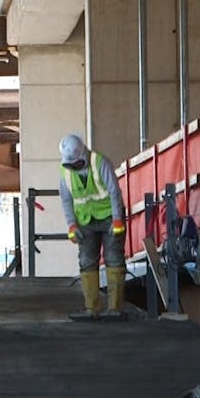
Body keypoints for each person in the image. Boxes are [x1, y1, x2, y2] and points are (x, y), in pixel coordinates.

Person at [58, 133, 127, 320]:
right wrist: (71, 225)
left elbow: (114, 191)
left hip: (109, 218)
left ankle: (115, 308)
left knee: (113, 258)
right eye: (70, 165)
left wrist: (117, 219)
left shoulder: (99, 162)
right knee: (87, 261)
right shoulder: (65, 172)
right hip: (85, 221)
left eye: (76, 164)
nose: (73, 168)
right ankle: (92, 309)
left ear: (83, 155)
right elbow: (66, 199)